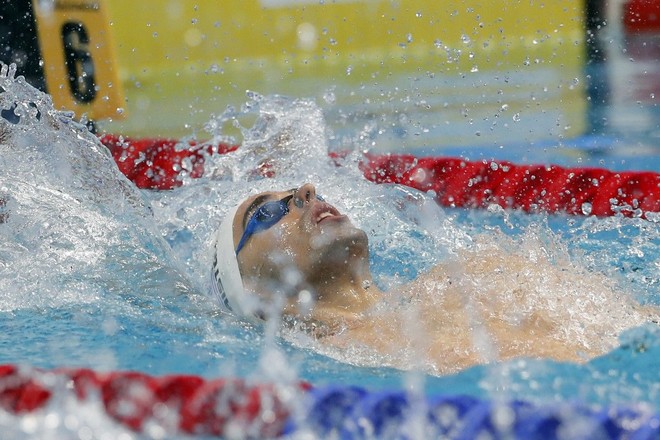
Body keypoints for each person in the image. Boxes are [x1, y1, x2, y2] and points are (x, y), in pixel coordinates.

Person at [211, 183, 658, 375]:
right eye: (267, 213)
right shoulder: (366, 355)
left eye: (300, 192)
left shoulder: (472, 271)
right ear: (254, 293)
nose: (308, 191)